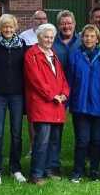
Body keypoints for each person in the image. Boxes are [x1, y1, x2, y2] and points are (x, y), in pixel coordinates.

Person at [0, 13, 27, 184]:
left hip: (17, 94)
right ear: (0, 28)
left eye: (10, 26)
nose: (8, 29)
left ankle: (15, 168)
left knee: (16, 134)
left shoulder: (22, 45)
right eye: (4, 26)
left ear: (15, 27)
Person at [24, 23, 69, 185]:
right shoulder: (32, 54)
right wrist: (53, 95)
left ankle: (50, 170)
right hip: (42, 105)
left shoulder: (53, 54)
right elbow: (36, 80)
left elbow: (62, 77)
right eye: (46, 37)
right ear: (39, 37)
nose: (49, 40)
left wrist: (65, 93)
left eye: (51, 37)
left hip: (57, 105)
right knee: (41, 142)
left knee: (54, 141)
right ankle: (36, 174)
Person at [67, 24, 100, 181]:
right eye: (86, 36)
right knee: (82, 140)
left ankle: (94, 170)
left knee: (96, 140)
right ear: (82, 38)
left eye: (92, 36)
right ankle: (78, 170)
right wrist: (68, 101)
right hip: (80, 104)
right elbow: (69, 80)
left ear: (97, 39)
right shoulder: (75, 55)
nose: (88, 39)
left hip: (99, 105)